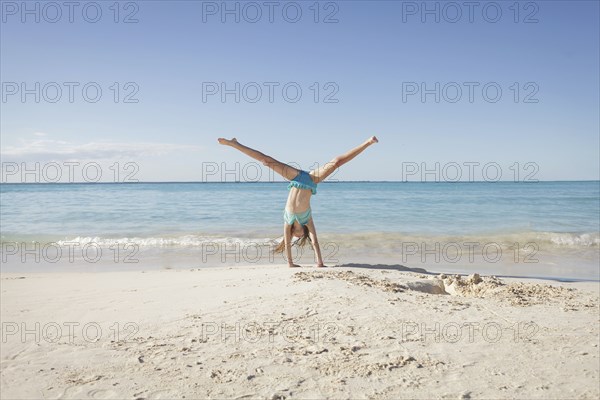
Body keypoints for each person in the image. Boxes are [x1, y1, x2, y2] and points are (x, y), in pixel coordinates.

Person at [217, 136, 379, 268]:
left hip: (295, 177)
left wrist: (290, 263)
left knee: (267, 161)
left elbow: (287, 244)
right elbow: (315, 241)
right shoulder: (307, 220)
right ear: (303, 233)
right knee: (336, 162)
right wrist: (320, 263)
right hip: (312, 180)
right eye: (299, 236)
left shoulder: (288, 222)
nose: (297, 236)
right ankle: (368, 142)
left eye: (295, 236)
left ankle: (234, 144)